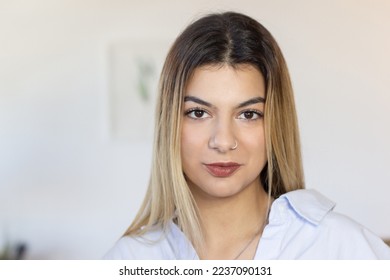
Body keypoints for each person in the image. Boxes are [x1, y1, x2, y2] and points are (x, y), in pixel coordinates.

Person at [104, 11, 390, 259]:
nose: (224, 141)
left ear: (276, 122)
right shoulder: (131, 259)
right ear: (170, 124)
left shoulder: (339, 249)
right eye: (198, 113)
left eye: (249, 114)